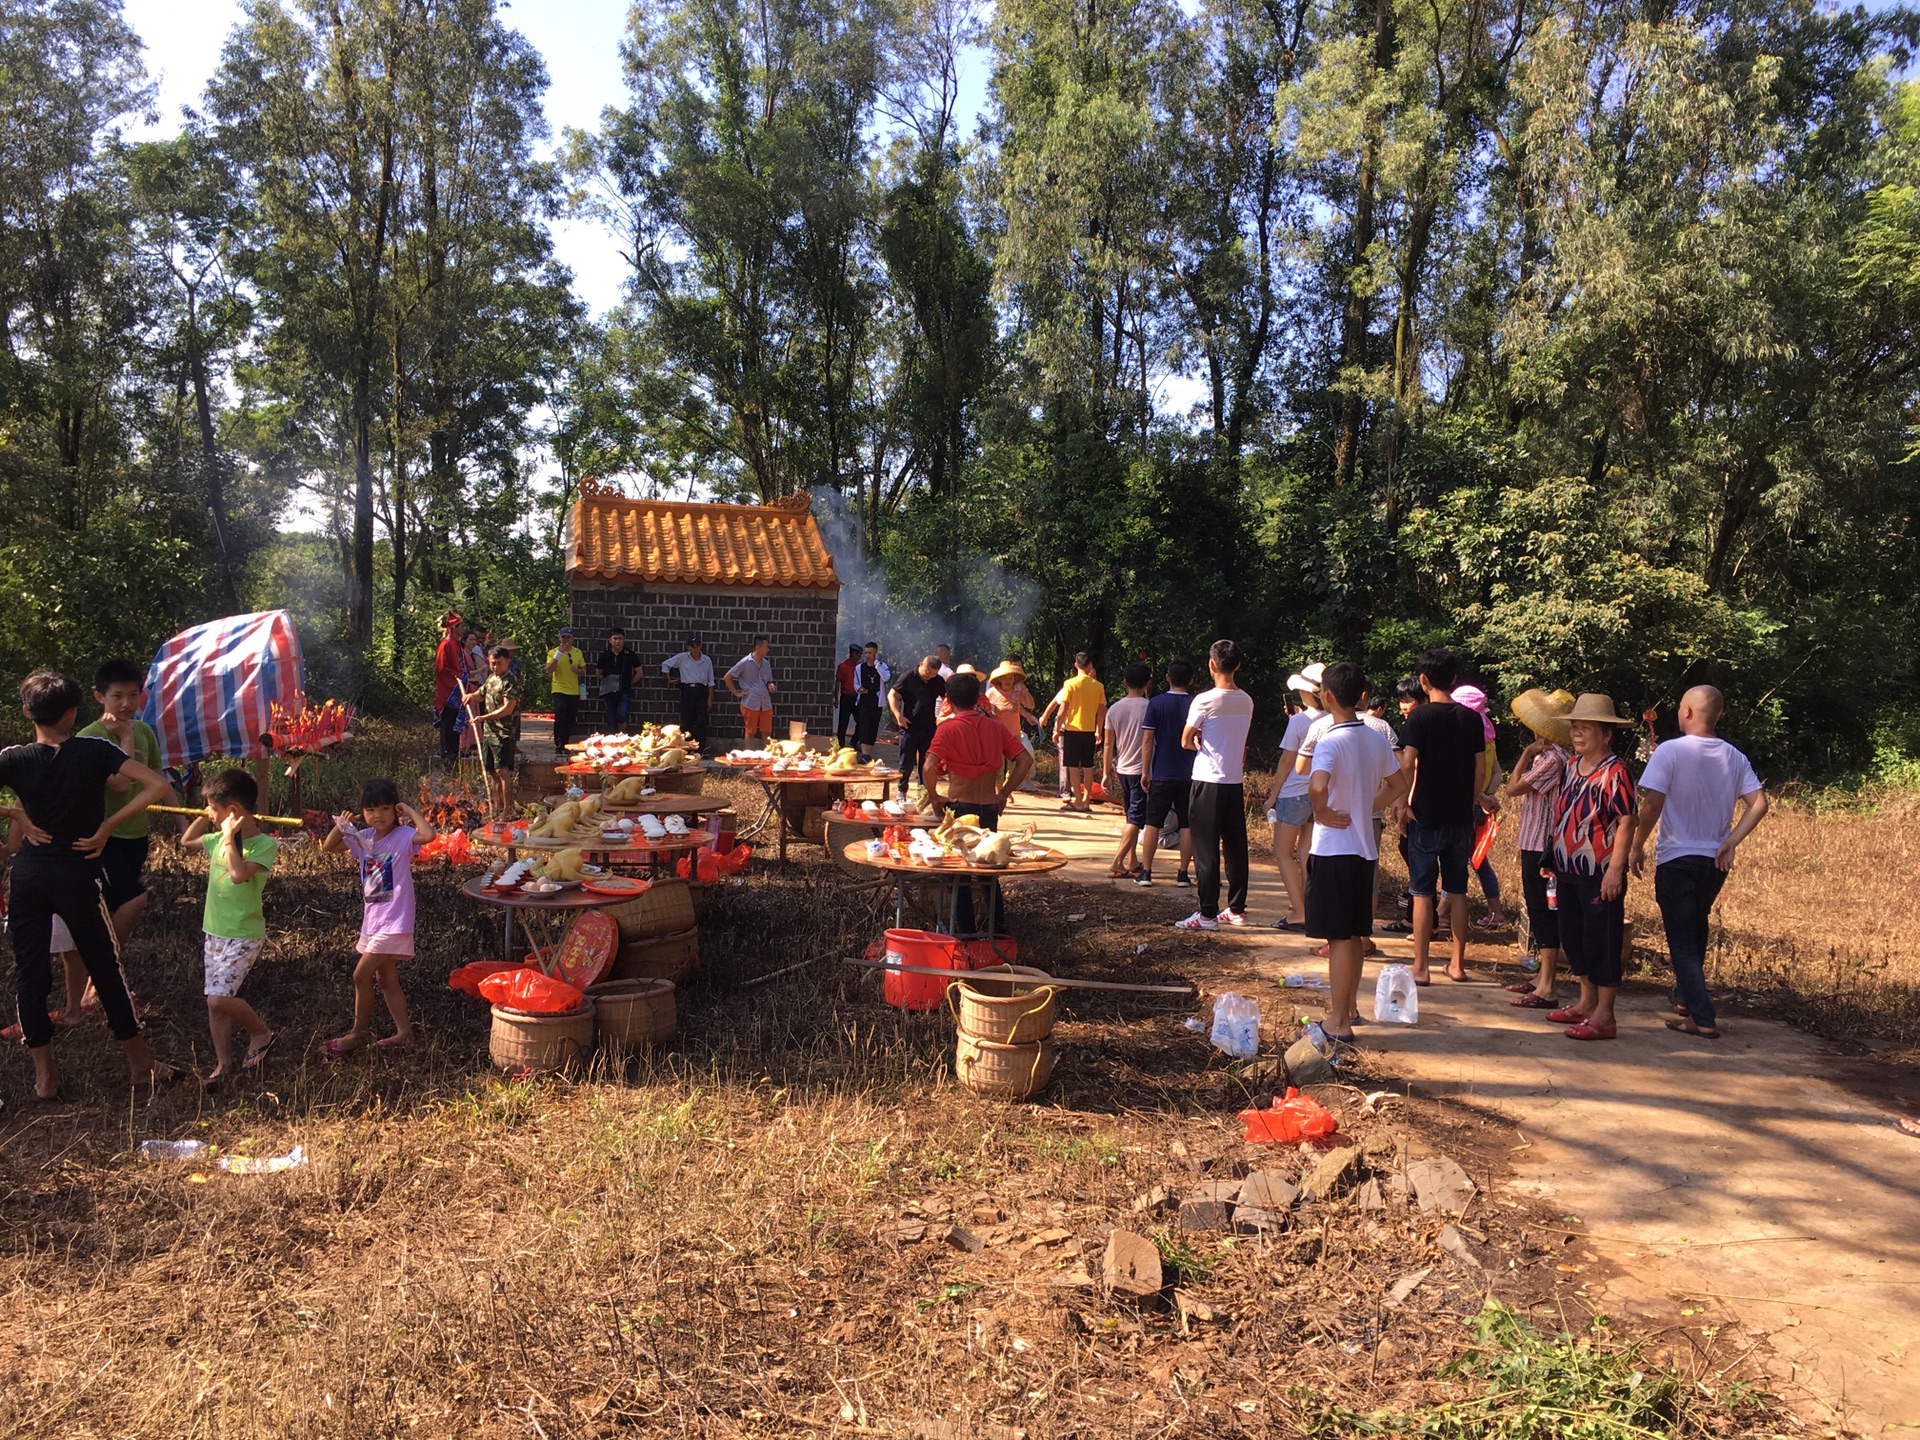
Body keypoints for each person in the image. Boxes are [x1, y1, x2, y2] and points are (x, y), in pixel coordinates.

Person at [1, 670, 178, 1099]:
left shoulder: (13, 758)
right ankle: (141, 1065)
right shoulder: (93, 750)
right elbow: (156, 783)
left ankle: (45, 1076)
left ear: (27, 712)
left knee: (30, 971)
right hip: (77, 870)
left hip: (28, 873)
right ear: (73, 713)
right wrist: (108, 826)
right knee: (105, 966)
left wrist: (16, 816)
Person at [1630, 685, 1769, 1041]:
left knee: (1681, 940)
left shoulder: (1671, 751)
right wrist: (1730, 841)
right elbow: (1759, 803)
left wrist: (1636, 845)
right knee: (1696, 929)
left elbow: (1651, 806)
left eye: (1679, 707)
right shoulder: (1735, 756)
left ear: (1689, 712)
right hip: (1713, 861)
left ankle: (1702, 1016)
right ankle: (1685, 1000)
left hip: (1677, 857)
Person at [1306, 663, 1411, 1043]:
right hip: (1364, 849)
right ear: (1361, 696)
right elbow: (1399, 782)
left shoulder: (1330, 741)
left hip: (1334, 849)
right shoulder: (1375, 738)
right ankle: (1347, 1010)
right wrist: (1367, 806)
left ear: (1328, 696)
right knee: (1352, 936)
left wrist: (1320, 810)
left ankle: (1338, 1020)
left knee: (1337, 938)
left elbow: (1318, 785)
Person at [1545, 694, 1637, 1040]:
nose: (1578, 734)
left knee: (1603, 940)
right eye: (1575, 728)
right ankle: (1585, 1001)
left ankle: (1605, 1014)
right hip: (1567, 867)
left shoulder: (1616, 772)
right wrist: (1551, 859)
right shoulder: (1571, 765)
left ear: (1607, 734)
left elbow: (1627, 820)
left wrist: (1616, 869)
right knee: (1573, 935)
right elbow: (1564, 814)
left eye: (1586, 728)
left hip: (1600, 869)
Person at [1393, 647, 1488, 983]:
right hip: (1460, 818)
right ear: (1453, 679)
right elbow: (1481, 769)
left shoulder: (1419, 718)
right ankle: (1457, 964)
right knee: (1457, 891)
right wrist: (1470, 801)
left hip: (1424, 815)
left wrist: (1402, 804)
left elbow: (1406, 765)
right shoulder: (1472, 719)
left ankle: (1420, 967)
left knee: (1421, 892)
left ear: (1423, 680)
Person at [321, 778, 434, 1055]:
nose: (378, 816)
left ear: (395, 811)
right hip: (373, 922)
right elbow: (328, 847)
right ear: (363, 812)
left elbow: (428, 836)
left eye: (385, 808)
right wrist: (342, 826)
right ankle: (404, 1033)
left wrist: (410, 810)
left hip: (395, 922)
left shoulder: (404, 836)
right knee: (386, 980)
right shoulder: (364, 839)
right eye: (371, 810)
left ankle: (357, 1033)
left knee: (360, 975)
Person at [181, 769, 278, 1085]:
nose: (209, 813)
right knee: (215, 1001)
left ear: (233, 811)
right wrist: (204, 814)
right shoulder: (215, 838)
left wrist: (227, 839)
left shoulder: (263, 845)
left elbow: (238, 874)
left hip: (243, 935)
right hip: (215, 931)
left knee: (218, 998)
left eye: (213, 807)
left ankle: (261, 1032)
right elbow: (186, 842)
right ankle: (223, 1064)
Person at [926, 671, 1035, 934]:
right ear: (978, 698)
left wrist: (934, 797)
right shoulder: (995, 727)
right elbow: (1025, 760)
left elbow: (929, 765)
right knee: (989, 873)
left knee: (960, 875)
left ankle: (965, 935)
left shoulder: (948, 728)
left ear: (948, 699)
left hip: (960, 808)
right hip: (988, 808)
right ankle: (996, 932)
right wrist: (1003, 793)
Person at [78, 659, 170, 952]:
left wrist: (182, 825)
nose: (126, 703)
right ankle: (105, 967)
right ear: (100, 697)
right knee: (134, 899)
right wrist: (125, 737)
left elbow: (158, 779)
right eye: (117, 696)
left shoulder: (145, 731)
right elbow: (118, 783)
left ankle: (101, 972)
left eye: (133, 695)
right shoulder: (89, 737)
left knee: (117, 904)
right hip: (104, 836)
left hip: (136, 834)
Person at [1174, 639, 1254, 930]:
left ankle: (1207, 913)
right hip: (1234, 780)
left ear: (1211, 664)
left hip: (1208, 779)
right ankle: (1236, 908)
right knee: (1235, 846)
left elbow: (1185, 739)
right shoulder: (1246, 700)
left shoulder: (1204, 700)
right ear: (1238, 666)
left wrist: (1196, 741)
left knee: (1205, 847)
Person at [1503, 689, 1574, 1009]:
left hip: (1541, 844)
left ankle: (1547, 985)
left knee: (1544, 911)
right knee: (1539, 909)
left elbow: (1513, 788)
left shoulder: (1550, 759)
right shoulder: (1557, 757)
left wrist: (1525, 754)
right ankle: (1541, 978)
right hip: (1537, 841)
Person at [1268, 663, 1326, 931]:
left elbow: (1286, 761)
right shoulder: (1330, 719)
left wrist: (1272, 795)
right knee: (1306, 852)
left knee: (1282, 852)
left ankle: (1298, 911)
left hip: (1294, 792)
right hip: (1319, 792)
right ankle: (1310, 906)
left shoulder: (1299, 721)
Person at [1451, 683, 1512, 930]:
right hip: (1479, 804)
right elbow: (1495, 771)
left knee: (1459, 858)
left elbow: (1464, 775)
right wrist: (1486, 795)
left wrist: (1478, 797)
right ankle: (1495, 912)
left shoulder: (1464, 734)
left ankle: (1443, 913)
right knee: (1477, 859)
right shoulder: (1487, 734)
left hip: (1465, 805)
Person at [1137, 657, 1196, 887]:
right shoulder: (1196, 704)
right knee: (1186, 824)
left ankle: (1146, 873)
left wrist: (1145, 770)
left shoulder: (1156, 703)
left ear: (1167, 678)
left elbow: (1148, 738)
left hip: (1161, 772)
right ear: (1190, 680)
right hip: (1190, 774)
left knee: (1153, 822)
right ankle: (1182, 874)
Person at [1103, 661, 1152, 878]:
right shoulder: (1150, 707)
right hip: (1141, 771)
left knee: (1130, 817)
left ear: (1125, 682)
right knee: (1135, 819)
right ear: (1147, 683)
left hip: (1121, 769)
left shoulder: (1114, 708)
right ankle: (1117, 861)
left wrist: (1105, 772)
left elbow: (1107, 744)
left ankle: (1131, 861)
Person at [464, 647, 521, 820]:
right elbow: (481, 695)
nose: (495, 667)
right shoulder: (491, 678)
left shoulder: (510, 681)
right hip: (488, 732)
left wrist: (483, 717)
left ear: (507, 662)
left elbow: (507, 708)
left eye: (499, 663)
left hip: (503, 733)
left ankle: (508, 810)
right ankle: (497, 806)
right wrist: (470, 697)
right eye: (492, 663)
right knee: (492, 772)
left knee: (503, 771)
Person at [1051, 653, 1106, 812]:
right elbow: (1101, 711)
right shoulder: (1098, 686)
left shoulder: (1070, 684)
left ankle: (1078, 801)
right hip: (1089, 730)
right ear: (1090, 666)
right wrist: (1098, 730)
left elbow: (1063, 708)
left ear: (1076, 665)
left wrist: (1056, 729)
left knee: (1073, 767)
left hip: (1072, 729)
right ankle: (1086, 801)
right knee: (1088, 767)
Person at [889, 656, 946, 797]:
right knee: (906, 762)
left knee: (926, 764)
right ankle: (902, 791)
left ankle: (923, 793)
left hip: (929, 727)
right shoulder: (908, 677)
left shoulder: (937, 681)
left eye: (933, 674)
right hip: (909, 726)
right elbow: (892, 695)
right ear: (921, 664)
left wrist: (942, 715)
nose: (930, 676)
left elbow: (947, 698)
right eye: (927, 672)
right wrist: (898, 716)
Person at [662, 637, 715, 746]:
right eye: (692, 646)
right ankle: (687, 747)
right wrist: (670, 679)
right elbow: (665, 664)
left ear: (701, 646)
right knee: (686, 720)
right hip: (687, 690)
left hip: (701, 690)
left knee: (702, 721)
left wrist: (710, 699)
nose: (695, 649)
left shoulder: (707, 660)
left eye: (697, 646)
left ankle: (701, 748)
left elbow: (711, 681)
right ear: (689, 647)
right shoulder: (682, 657)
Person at [725, 637, 776, 742]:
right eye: (766, 647)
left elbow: (769, 680)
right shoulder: (745, 662)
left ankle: (766, 757)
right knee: (750, 731)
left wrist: (770, 685)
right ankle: (749, 757)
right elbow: (727, 677)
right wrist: (736, 693)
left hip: (765, 702)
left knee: (766, 732)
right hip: (751, 702)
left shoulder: (766, 664)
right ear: (758, 647)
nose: (768, 649)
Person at [545, 626, 587, 751]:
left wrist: (578, 671)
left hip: (573, 690)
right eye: (563, 637)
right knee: (560, 715)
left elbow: (584, 670)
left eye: (568, 637)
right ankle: (558, 744)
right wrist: (558, 655)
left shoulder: (577, 652)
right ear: (559, 638)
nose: (566, 640)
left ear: (572, 639)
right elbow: (548, 670)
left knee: (570, 718)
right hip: (559, 689)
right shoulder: (553, 652)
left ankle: (565, 743)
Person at [434, 611, 466, 762]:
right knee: (448, 721)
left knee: (456, 722)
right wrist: (457, 676)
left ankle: (454, 750)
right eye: (461, 626)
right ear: (453, 628)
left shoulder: (457, 644)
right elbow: (441, 668)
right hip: (448, 690)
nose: (463, 629)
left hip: (458, 687)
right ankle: (447, 752)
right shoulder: (445, 644)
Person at [595, 628, 640, 731]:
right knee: (610, 717)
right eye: (615, 638)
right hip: (608, 691)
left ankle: (622, 736)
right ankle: (613, 740)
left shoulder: (629, 654)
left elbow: (639, 672)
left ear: (624, 640)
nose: (617, 641)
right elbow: (598, 673)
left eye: (620, 638)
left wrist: (628, 683)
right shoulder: (605, 655)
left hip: (624, 691)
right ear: (610, 640)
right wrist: (607, 681)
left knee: (621, 715)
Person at [854, 643, 885, 757]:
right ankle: (864, 753)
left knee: (873, 726)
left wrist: (877, 664)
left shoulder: (882, 666)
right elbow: (856, 683)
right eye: (866, 653)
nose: (868, 655)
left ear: (876, 653)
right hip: (864, 700)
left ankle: (868, 752)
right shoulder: (859, 668)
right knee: (864, 725)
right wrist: (859, 689)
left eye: (870, 653)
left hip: (876, 700)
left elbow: (886, 677)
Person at [835, 644, 863, 748]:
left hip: (856, 697)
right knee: (843, 722)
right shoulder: (843, 666)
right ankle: (840, 743)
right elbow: (838, 682)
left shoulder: (859, 666)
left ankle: (854, 741)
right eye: (859, 654)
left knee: (861, 721)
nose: (860, 656)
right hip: (846, 697)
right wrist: (836, 698)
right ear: (854, 654)